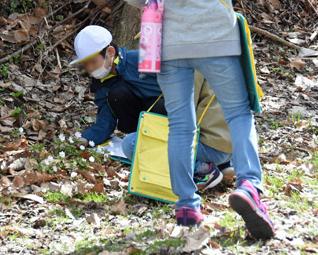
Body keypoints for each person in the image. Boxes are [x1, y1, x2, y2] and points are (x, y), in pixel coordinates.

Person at [120, 0, 274, 239]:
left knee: (180, 124)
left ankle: (187, 206)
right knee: (238, 114)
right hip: (217, 38)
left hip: (168, 44)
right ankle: (250, 187)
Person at [70, 25, 234, 191]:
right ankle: (216, 162)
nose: (90, 68)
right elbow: (106, 119)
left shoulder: (141, 60)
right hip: (155, 125)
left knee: (131, 145)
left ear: (110, 52)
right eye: (86, 64)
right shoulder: (102, 86)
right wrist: (87, 138)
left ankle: (202, 169)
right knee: (119, 97)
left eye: (93, 62)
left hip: (180, 122)